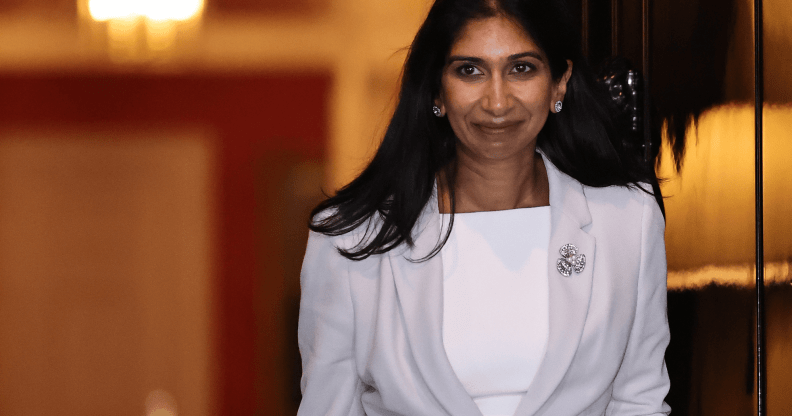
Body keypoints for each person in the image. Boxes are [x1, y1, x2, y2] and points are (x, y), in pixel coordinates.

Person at [297, 0, 671, 414]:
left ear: (559, 83)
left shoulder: (627, 221)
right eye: (469, 70)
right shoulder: (351, 239)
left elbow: (639, 401)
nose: (497, 102)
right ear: (437, 88)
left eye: (522, 68)